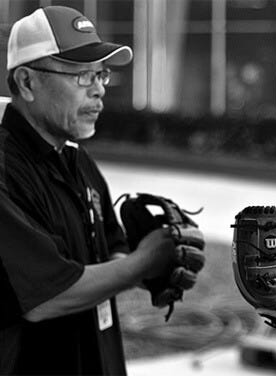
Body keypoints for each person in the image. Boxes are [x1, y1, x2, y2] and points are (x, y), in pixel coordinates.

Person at [0, 6, 180, 375]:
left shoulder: (76, 159)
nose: (99, 89)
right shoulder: (5, 168)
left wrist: (145, 269)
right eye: (82, 75)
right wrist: (143, 262)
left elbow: (109, 250)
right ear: (26, 82)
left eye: (101, 74)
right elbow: (47, 295)